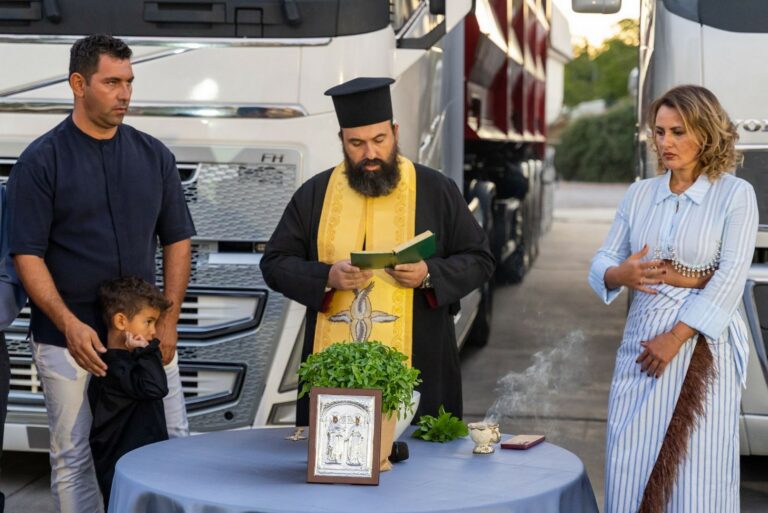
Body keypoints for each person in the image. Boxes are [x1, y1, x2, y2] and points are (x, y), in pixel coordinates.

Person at [6, 34, 196, 513]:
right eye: (111, 82)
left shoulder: (155, 156)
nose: (124, 94)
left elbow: (177, 239)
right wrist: (69, 324)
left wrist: (168, 320)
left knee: (172, 441)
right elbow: (26, 254)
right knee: (73, 455)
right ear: (78, 84)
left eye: (129, 82)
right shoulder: (40, 161)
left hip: (147, 336)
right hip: (68, 341)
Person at [260, 77, 495, 425]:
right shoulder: (315, 194)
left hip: (421, 363)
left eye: (379, 140)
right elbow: (274, 263)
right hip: (333, 368)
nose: (370, 154)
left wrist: (428, 274)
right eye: (357, 143)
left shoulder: (436, 189)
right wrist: (327, 276)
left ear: (395, 133)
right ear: (342, 140)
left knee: (420, 456)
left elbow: (480, 259)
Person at [589, 85, 758, 513]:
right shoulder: (640, 194)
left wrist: (676, 337)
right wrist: (619, 274)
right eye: (660, 132)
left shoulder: (734, 194)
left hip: (703, 346)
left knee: (696, 470)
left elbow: (730, 277)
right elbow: (605, 258)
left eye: (678, 132)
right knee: (629, 459)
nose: (666, 142)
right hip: (642, 345)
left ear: (706, 133)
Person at [88, 277, 171, 510]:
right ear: (121, 321)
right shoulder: (116, 369)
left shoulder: (127, 364)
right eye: (148, 322)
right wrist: (147, 352)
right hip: (124, 468)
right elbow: (156, 388)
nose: (153, 332)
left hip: (140, 465)